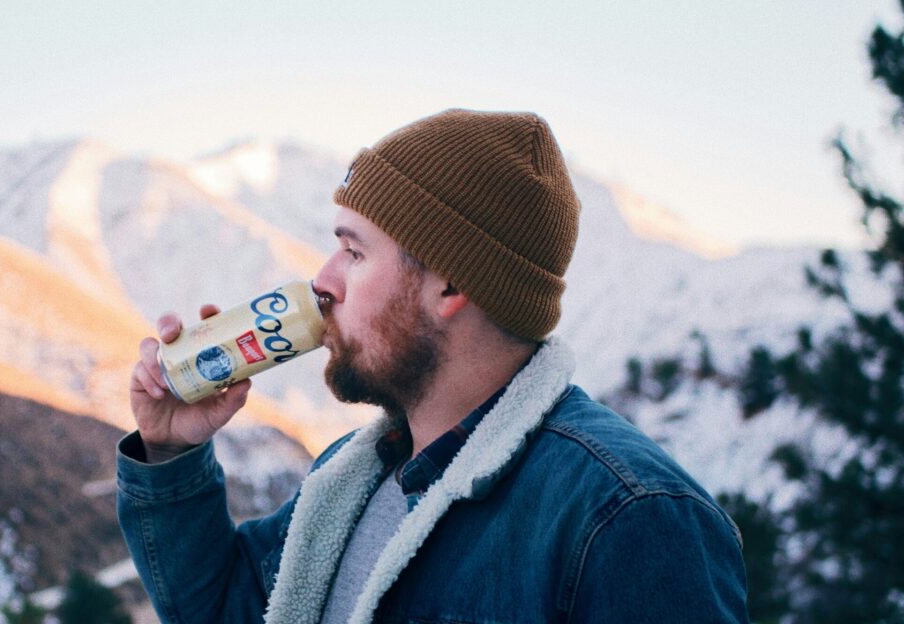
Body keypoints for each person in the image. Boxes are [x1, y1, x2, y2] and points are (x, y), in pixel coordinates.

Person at [118, 109, 749, 623]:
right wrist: (170, 451)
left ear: (449, 286)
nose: (323, 281)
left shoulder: (631, 518)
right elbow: (225, 612)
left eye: (354, 252)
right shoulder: (354, 476)